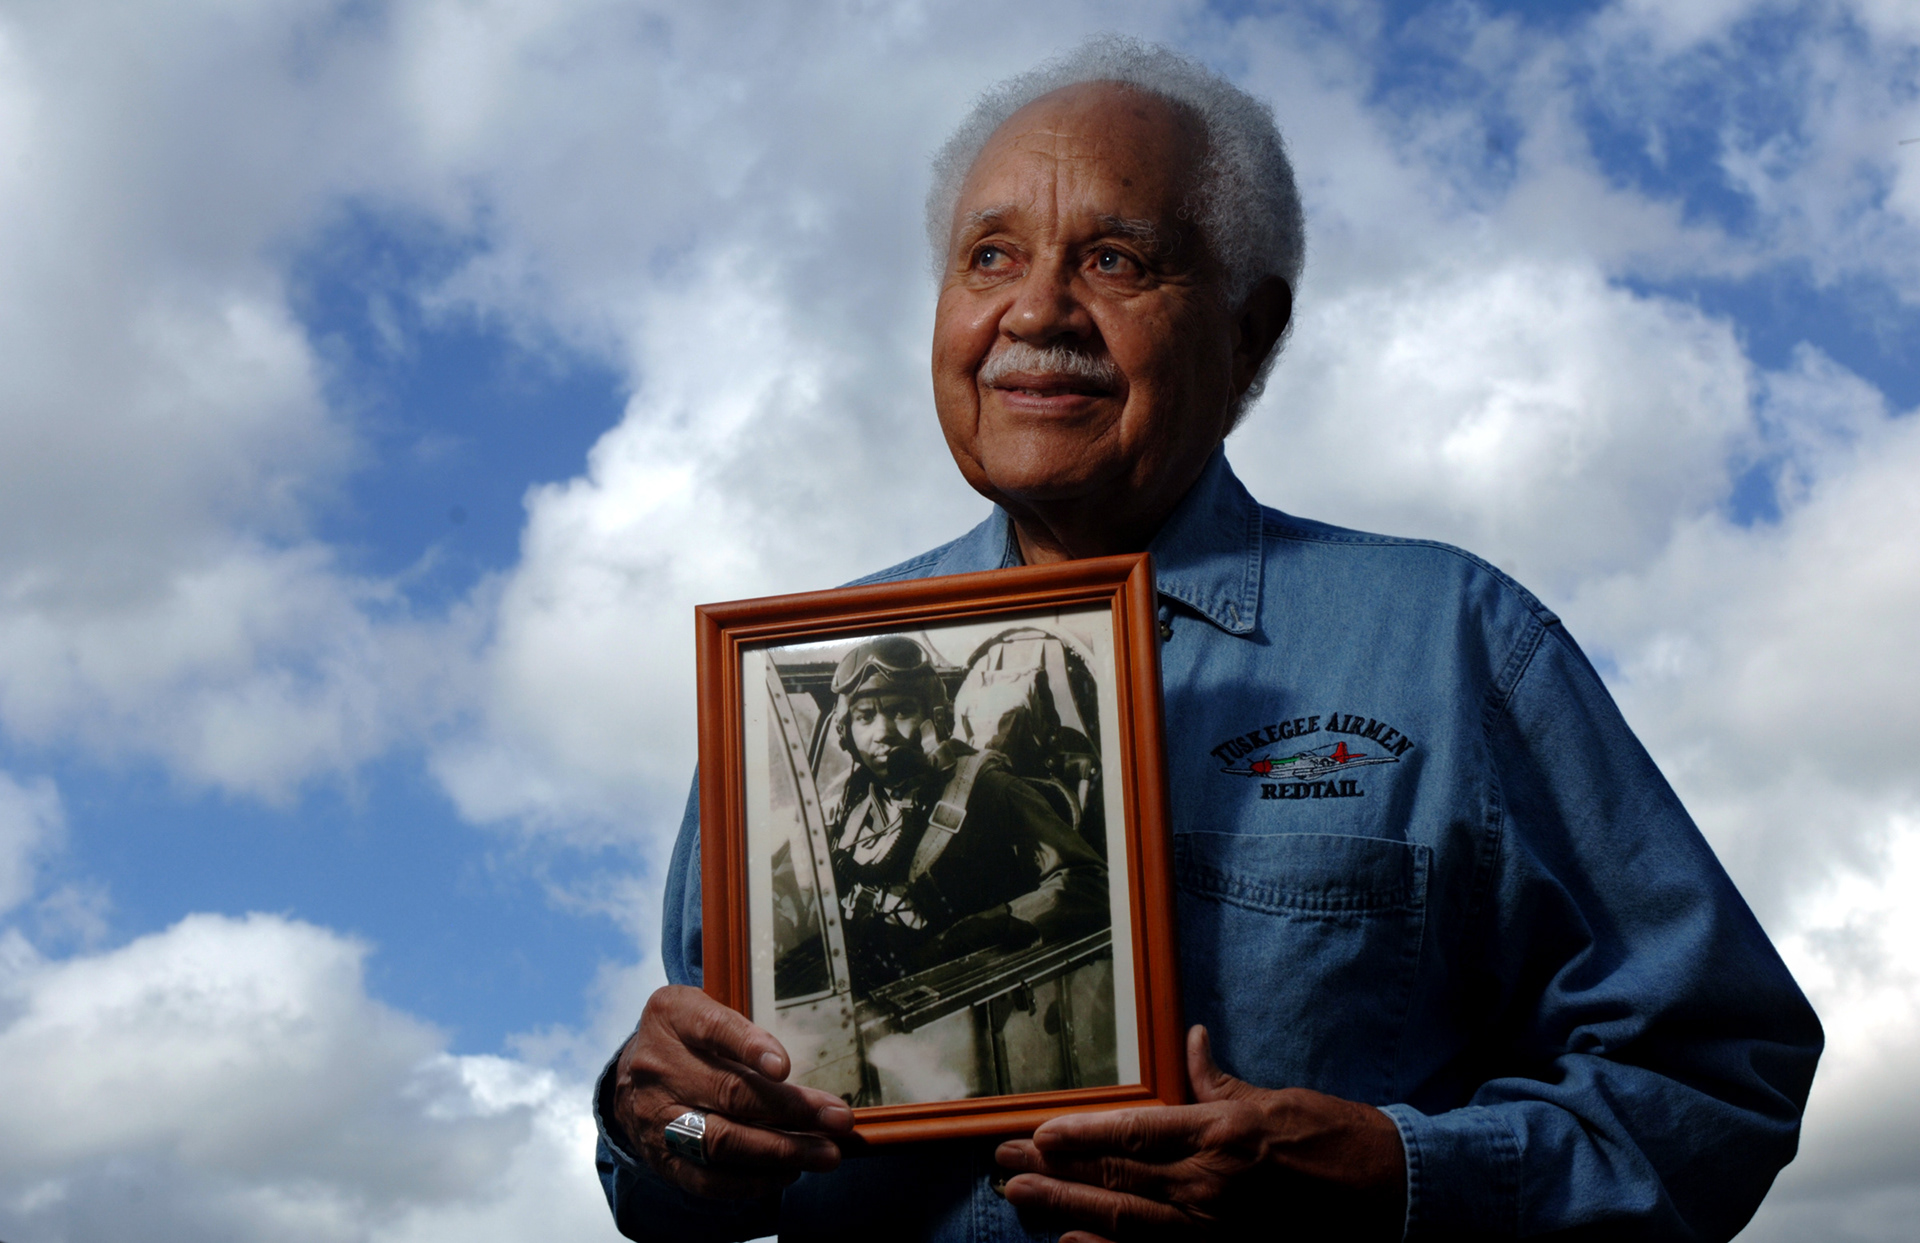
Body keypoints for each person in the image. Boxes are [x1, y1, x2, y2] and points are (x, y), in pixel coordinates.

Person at [595, 35, 1821, 1242]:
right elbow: (678, 1178)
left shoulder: (1456, 642)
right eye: (988, 257)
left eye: (1117, 260)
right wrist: (657, 1125)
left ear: (1250, 333)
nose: (1036, 311)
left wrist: (1391, 1176)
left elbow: (1718, 1077)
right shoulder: (788, 683)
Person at [819, 634, 1108, 995]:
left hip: (956, 1002)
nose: (883, 733)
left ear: (935, 719)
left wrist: (996, 922)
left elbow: (1093, 883)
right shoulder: (852, 803)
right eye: (865, 717)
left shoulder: (987, 787)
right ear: (846, 732)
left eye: (901, 711)